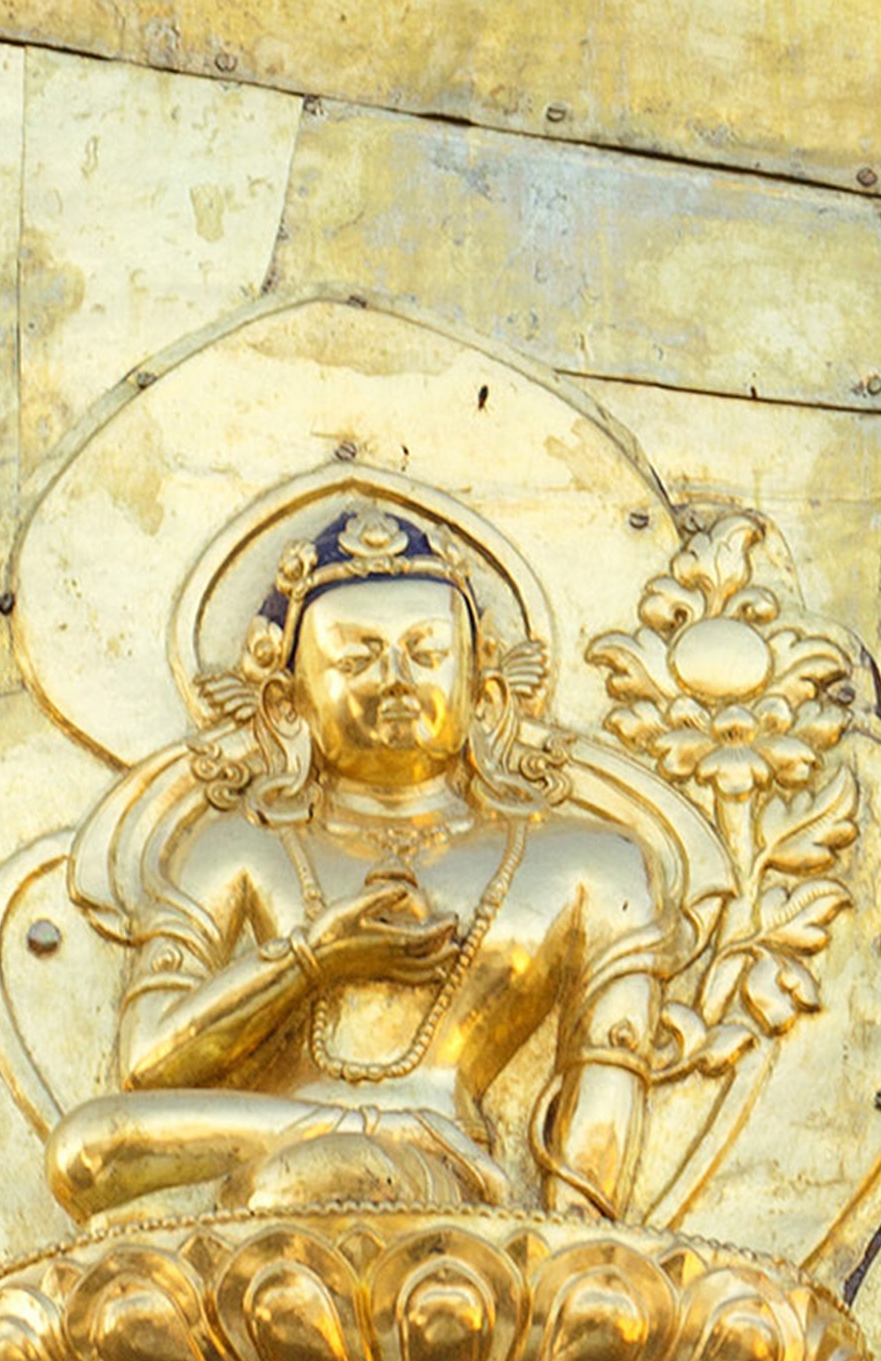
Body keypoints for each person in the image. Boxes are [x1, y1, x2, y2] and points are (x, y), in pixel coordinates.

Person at [47, 487, 674, 1229]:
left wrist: (579, 1258)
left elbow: (594, 1160)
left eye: (427, 652)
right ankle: (357, 1138)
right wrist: (314, 959)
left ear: (484, 693)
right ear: (288, 704)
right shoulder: (237, 849)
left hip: (440, 1178)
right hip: (282, 1144)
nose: (397, 679)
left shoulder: (590, 866)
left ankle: (365, 1152)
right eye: (359, 657)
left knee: (296, 1186)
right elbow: (148, 1062)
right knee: (84, 1146)